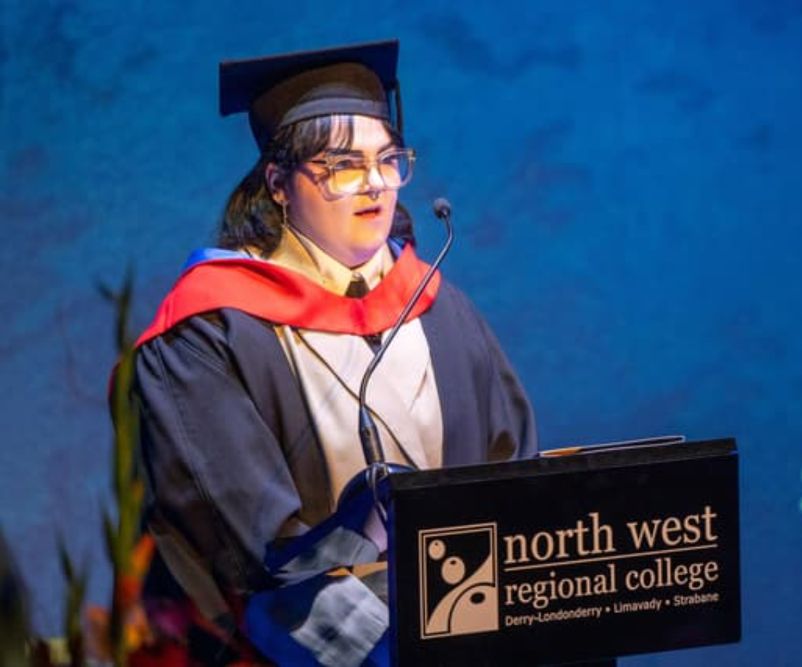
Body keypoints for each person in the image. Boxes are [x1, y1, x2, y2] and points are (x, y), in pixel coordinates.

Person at [132, 39, 536, 666]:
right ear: (278, 184)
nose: (374, 184)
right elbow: (243, 552)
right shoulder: (208, 330)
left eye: (388, 161)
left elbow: (514, 478)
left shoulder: (436, 306)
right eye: (344, 166)